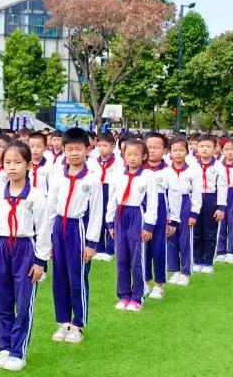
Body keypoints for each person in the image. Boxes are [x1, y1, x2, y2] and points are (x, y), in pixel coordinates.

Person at [0, 140, 48, 370]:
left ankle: (18, 351)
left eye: (17, 162)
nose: (12, 167)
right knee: (2, 300)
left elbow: (43, 230)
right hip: (1, 248)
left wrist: (40, 262)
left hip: (24, 249)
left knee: (23, 301)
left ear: (28, 165)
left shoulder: (37, 197)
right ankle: (4, 347)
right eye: (7, 162)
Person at [45, 127, 102, 343]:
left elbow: (96, 212)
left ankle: (78, 323)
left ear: (87, 150)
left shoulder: (92, 180)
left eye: (79, 149)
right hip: (59, 226)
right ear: (63, 150)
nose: (74, 153)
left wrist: (91, 243)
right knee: (59, 277)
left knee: (77, 277)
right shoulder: (58, 175)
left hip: (78, 228)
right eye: (70, 149)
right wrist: (48, 238)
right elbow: (51, 206)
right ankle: (63, 322)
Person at [105, 138, 157, 311]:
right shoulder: (118, 174)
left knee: (137, 258)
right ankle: (123, 295)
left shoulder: (148, 176)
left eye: (136, 155)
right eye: (128, 154)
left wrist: (148, 225)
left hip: (137, 215)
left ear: (144, 157)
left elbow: (152, 202)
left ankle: (137, 297)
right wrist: (110, 222)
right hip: (120, 215)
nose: (132, 158)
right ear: (123, 155)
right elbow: (112, 198)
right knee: (121, 258)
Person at [144, 133, 176, 297]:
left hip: (161, 209)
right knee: (142, 247)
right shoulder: (138, 170)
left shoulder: (169, 172)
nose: (152, 151)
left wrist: (173, 221)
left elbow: (174, 196)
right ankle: (144, 282)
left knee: (158, 247)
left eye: (157, 148)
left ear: (165, 150)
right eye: (149, 147)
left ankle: (159, 285)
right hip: (141, 208)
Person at [192, 135, 227, 272]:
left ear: (215, 149)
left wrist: (221, 207)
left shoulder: (219, 166)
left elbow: (223, 187)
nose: (204, 149)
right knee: (196, 232)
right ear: (196, 148)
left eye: (208, 147)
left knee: (210, 233)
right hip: (196, 199)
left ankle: (208, 262)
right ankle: (197, 261)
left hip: (212, 199)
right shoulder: (192, 165)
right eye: (201, 146)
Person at [93, 132, 119, 262]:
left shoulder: (118, 162)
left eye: (105, 145)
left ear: (112, 146)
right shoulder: (93, 162)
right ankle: (99, 248)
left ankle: (110, 249)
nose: (102, 148)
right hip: (98, 189)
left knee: (110, 218)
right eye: (99, 145)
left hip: (111, 190)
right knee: (98, 218)